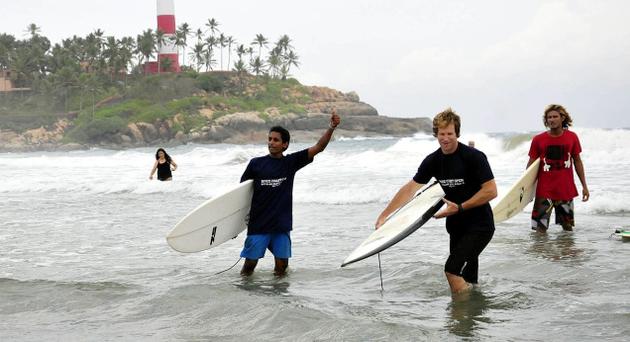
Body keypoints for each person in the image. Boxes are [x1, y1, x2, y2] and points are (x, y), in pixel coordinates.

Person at [375, 108, 497, 294]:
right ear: (436, 134)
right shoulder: (433, 161)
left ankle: (458, 318)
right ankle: (472, 316)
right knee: (468, 278)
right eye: (441, 134)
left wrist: (461, 207)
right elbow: (410, 189)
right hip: (456, 227)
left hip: (480, 225)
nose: (445, 138)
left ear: (457, 133)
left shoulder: (473, 157)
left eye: (450, 133)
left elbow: (491, 191)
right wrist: (385, 215)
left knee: (451, 270)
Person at [239, 109, 341, 276]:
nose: (271, 142)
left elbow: (319, 147)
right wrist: (235, 225)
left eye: (276, 140)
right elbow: (241, 193)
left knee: (281, 268)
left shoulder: (290, 163)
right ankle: (244, 296)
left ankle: (279, 300)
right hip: (259, 225)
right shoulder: (256, 164)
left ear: (285, 144)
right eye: (269, 139)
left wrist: (331, 127)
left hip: (281, 225)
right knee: (249, 266)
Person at [527, 104, 589, 233]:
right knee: (540, 228)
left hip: (565, 190)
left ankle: (566, 252)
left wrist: (584, 186)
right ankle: (540, 252)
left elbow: (577, 161)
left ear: (562, 118)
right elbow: (531, 165)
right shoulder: (538, 139)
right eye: (549, 117)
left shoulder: (572, 137)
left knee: (567, 228)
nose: (552, 120)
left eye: (555, 116)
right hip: (544, 191)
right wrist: (526, 190)